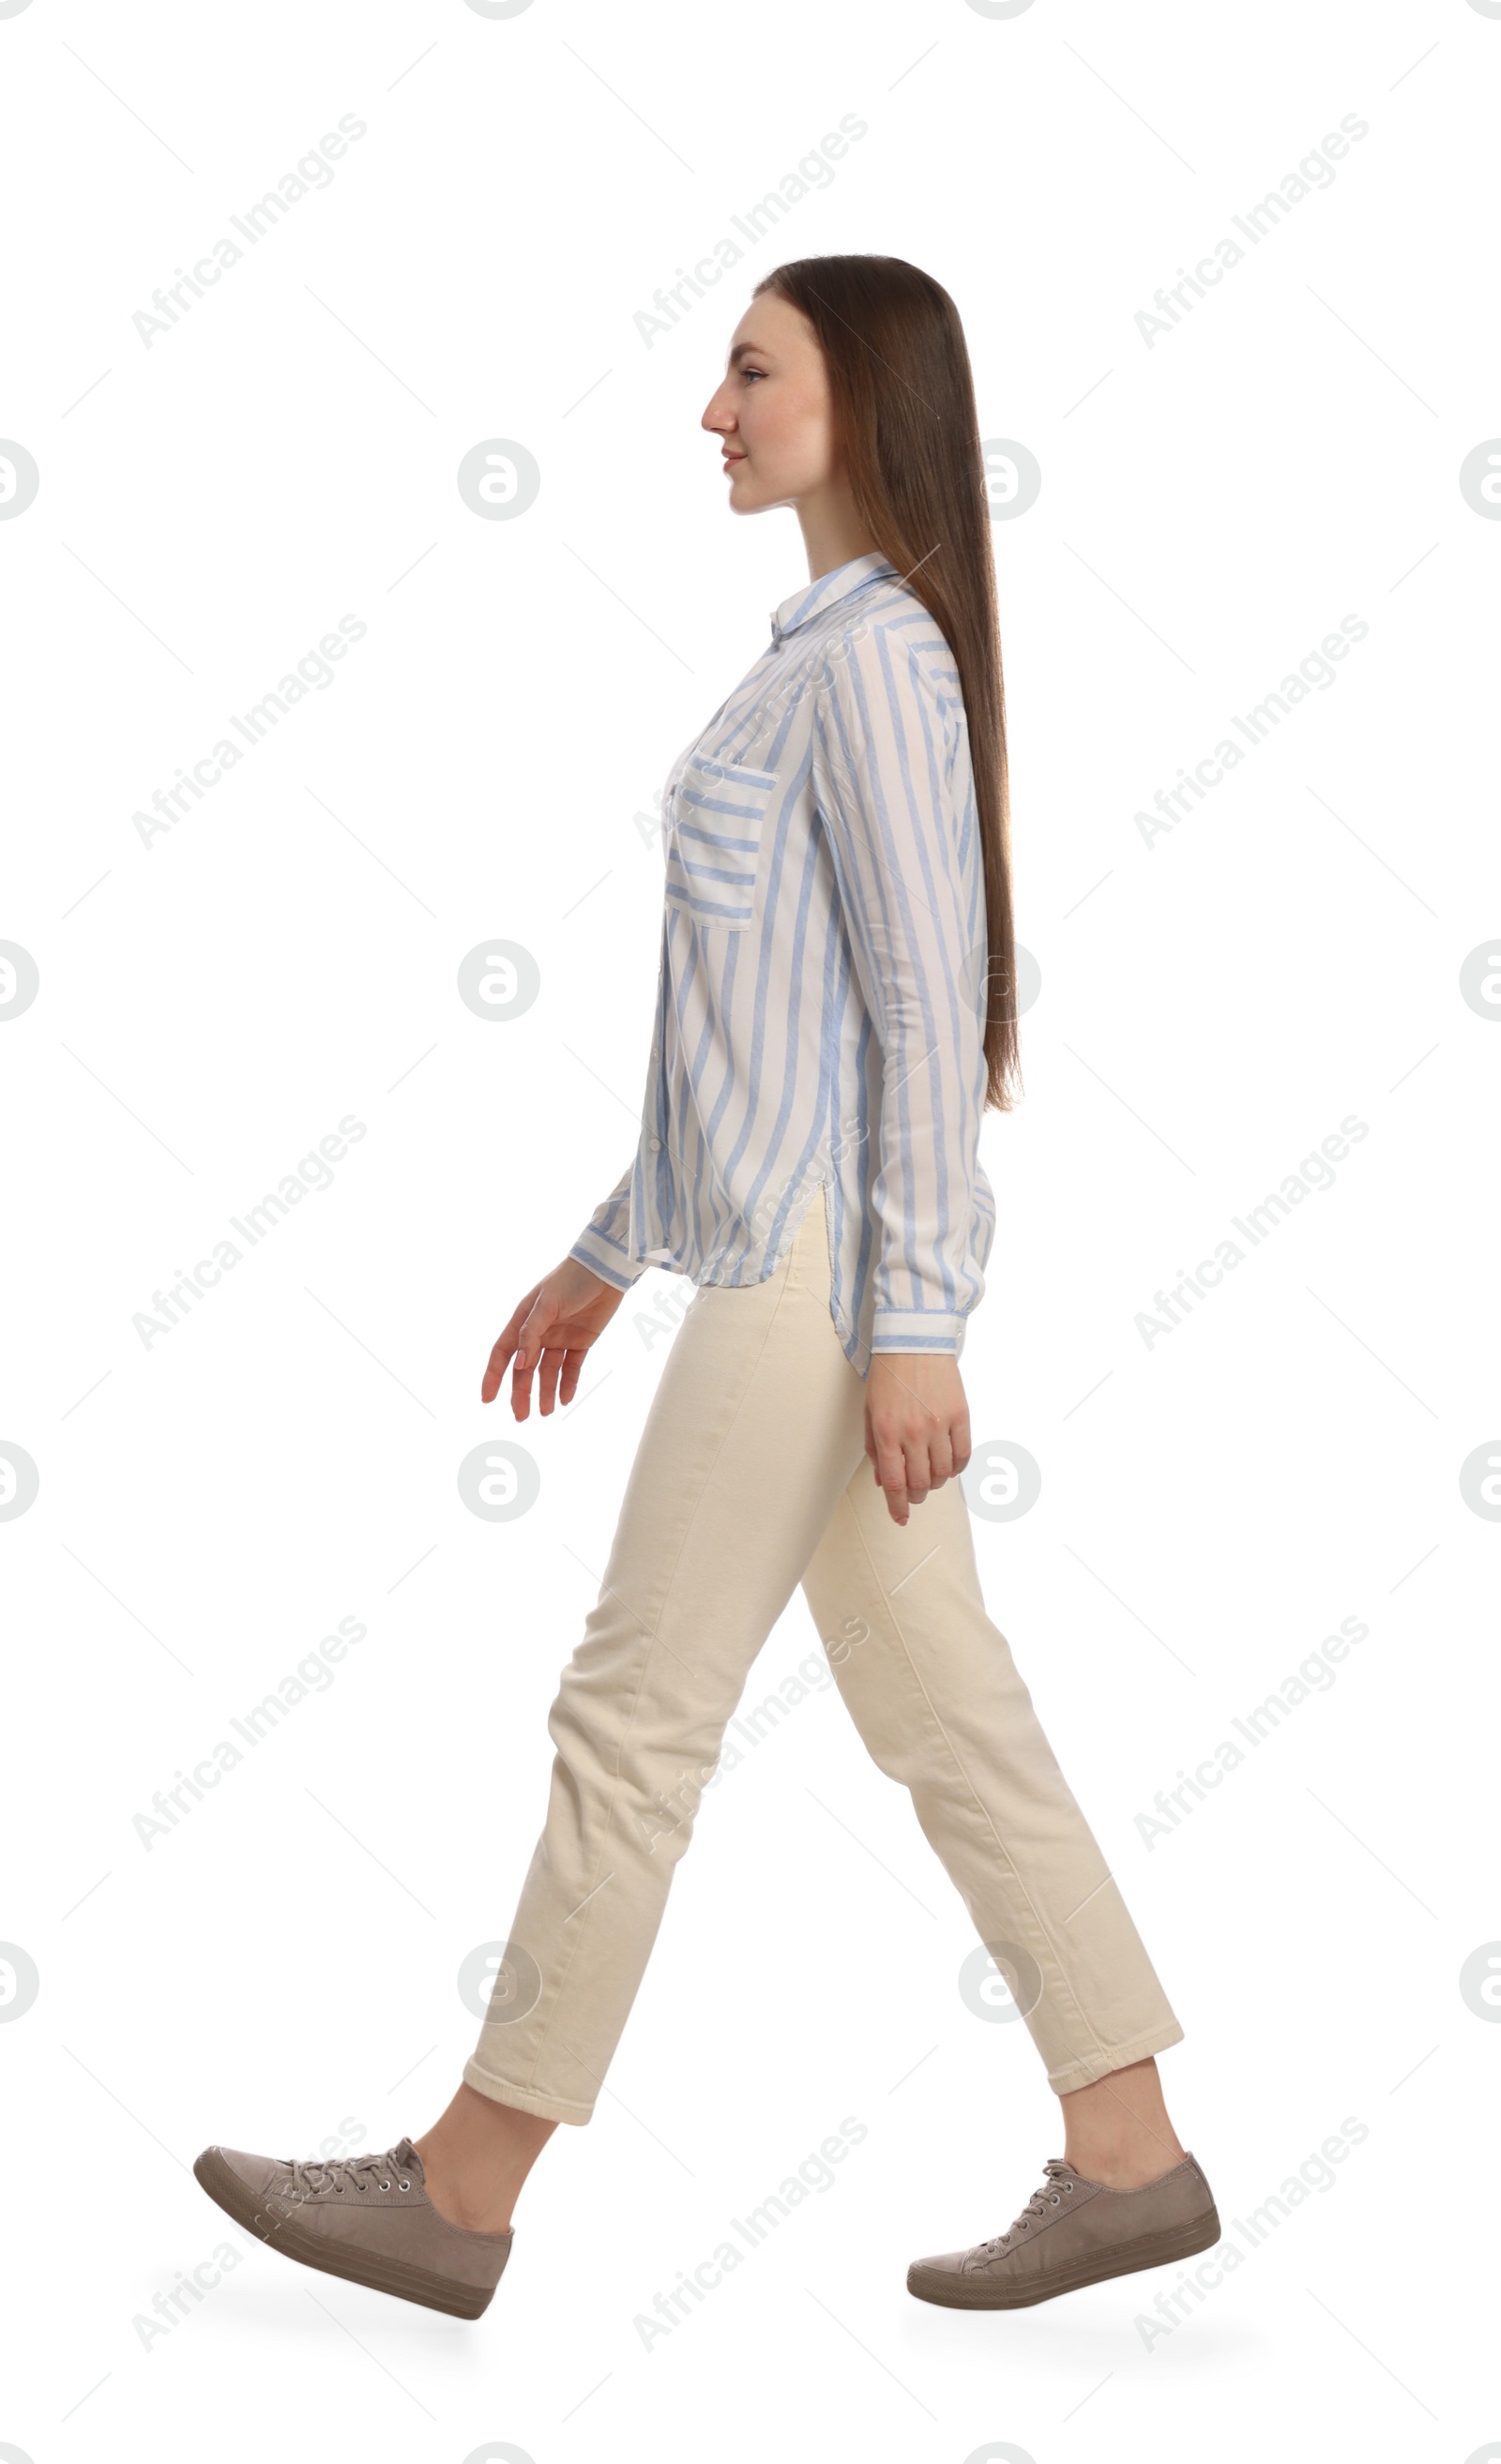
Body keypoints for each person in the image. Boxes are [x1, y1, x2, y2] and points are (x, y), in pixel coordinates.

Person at [194, 253, 1218, 2320]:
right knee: (946, 1712)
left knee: (633, 1711)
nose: (712, 410)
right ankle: (1129, 2155)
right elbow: (761, 1041)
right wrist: (598, 1249)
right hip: (778, 1253)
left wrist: (915, 1316)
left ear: (863, 399)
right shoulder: (815, 663)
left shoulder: (872, 669)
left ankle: (460, 2194)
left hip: (814, 1281)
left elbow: (928, 1020)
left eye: (749, 371)